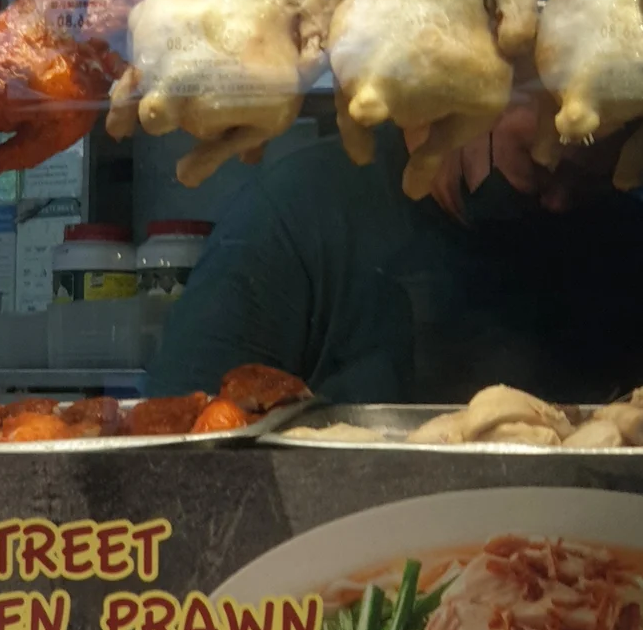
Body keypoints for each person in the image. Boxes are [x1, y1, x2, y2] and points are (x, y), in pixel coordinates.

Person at [147, 98, 643, 404]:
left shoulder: (622, 234)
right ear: (474, 95)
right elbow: (177, 455)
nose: (559, 202)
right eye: (542, 168)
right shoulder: (296, 218)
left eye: (592, 182)